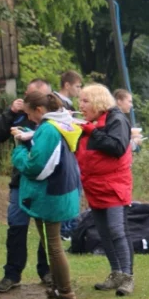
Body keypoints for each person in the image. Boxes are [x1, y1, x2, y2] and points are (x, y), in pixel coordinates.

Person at [11, 91, 83, 299]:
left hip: (51, 195)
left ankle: (66, 294)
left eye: (29, 114)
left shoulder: (48, 129)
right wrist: (28, 135)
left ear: (40, 110)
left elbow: (37, 167)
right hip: (61, 192)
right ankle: (58, 290)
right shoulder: (61, 123)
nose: (29, 118)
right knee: (50, 243)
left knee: (53, 245)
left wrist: (19, 151)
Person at [0, 78, 52, 293]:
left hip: (46, 182)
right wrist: (9, 112)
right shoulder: (18, 115)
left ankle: (47, 271)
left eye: (32, 97)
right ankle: (12, 274)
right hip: (20, 182)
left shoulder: (54, 118)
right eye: (26, 95)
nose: (26, 101)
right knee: (16, 226)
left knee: (47, 229)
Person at [76, 84, 135, 296]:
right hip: (94, 185)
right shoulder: (89, 122)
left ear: (98, 101)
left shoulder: (116, 120)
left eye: (85, 101)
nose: (80, 105)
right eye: (80, 101)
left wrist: (93, 132)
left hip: (114, 184)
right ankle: (116, 272)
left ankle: (128, 277)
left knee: (117, 230)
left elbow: (117, 148)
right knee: (103, 231)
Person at [56, 70, 83, 239]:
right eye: (78, 86)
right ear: (67, 85)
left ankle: (70, 226)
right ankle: (66, 228)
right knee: (70, 190)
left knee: (75, 189)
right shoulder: (58, 103)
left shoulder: (68, 104)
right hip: (63, 153)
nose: (79, 90)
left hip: (71, 153)